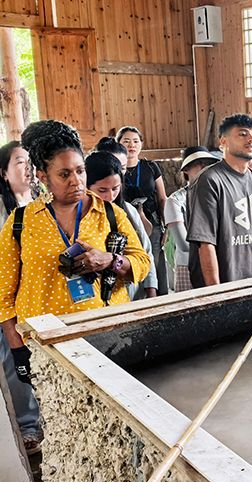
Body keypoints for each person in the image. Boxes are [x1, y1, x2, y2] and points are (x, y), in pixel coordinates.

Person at [0, 121, 149, 452]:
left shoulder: (109, 214)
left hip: (106, 335)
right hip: (47, 342)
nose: (76, 181)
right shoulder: (21, 222)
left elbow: (141, 262)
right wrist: (17, 347)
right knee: (65, 425)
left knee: (112, 424)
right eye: (64, 174)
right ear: (43, 176)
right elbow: (3, 294)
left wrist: (110, 261)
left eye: (80, 171)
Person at [186, 113, 252, 287]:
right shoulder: (210, 180)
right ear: (223, 142)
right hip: (226, 284)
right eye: (243, 134)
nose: (251, 140)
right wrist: (216, 291)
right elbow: (205, 242)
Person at [0, 140, 41, 455]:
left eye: (30, 161)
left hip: (41, 296)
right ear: (3, 172)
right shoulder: (4, 211)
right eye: (19, 162)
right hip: (8, 299)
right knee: (15, 362)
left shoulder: (44, 204)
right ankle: (28, 426)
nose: (27, 168)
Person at [85, 150, 158, 299]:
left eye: (115, 189)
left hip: (128, 290)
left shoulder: (126, 211)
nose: (110, 196)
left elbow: (145, 252)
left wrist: (151, 289)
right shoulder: (79, 216)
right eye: (102, 190)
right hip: (90, 294)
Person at [117, 126, 169, 295]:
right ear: (118, 144)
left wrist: (166, 226)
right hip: (124, 225)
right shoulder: (115, 169)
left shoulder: (151, 167)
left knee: (153, 262)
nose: (131, 145)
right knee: (131, 264)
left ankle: (158, 300)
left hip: (152, 223)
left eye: (135, 141)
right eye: (126, 141)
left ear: (141, 144)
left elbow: (162, 198)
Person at [164, 147, 220, 291]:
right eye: (199, 164)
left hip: (217, 261)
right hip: (188, 265)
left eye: (208, 164)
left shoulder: (217, 196)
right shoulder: (175, 201)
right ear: (186, 169)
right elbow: (184, 244)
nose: (205, 168)